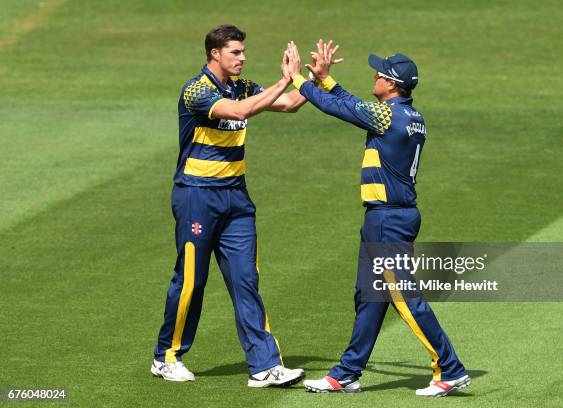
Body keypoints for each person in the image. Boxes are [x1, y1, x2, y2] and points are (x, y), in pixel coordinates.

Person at [285, 41, 471, 397]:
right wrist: (326, 79)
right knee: (369, 297)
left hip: (388, 219)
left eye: (379, 73)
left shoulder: (388, 115)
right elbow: (355, 106)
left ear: (392, 83)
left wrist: (300, 80)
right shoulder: (409, 116)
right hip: (388, 217)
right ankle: (347, 373)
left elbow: (340, 108)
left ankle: (450, 368)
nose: (374, 75)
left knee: (402, 295)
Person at [151, 24, 307, 387]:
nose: (242, 58)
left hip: (236, 198)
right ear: (215, 54)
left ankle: (264, 366)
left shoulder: (242, 86)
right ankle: (166, 356)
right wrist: (284, 81)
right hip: (196, 196)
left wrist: (311, 76)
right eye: (235, 52)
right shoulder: (197, 91)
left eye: (243, 52)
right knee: (191, 280)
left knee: (246, 279)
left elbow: (288, 104)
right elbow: (239, 112)